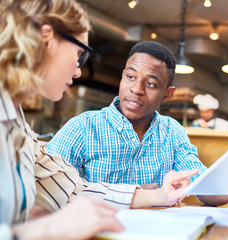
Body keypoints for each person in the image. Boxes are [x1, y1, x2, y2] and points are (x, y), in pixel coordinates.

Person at [0, 1, 197, 239]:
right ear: (46, 39)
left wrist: (160, 196)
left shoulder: (17, 124)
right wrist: (49, 229)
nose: (78, 71)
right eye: (79, 55)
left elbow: (69, 187)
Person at [47, 40, 228, 207]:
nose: (136, 89)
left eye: (151, 84)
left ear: (167, 94)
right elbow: (46, 193)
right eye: (131, 77)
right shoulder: (82, 127)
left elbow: (204, 189)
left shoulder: (172, 132)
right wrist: (139, 194)